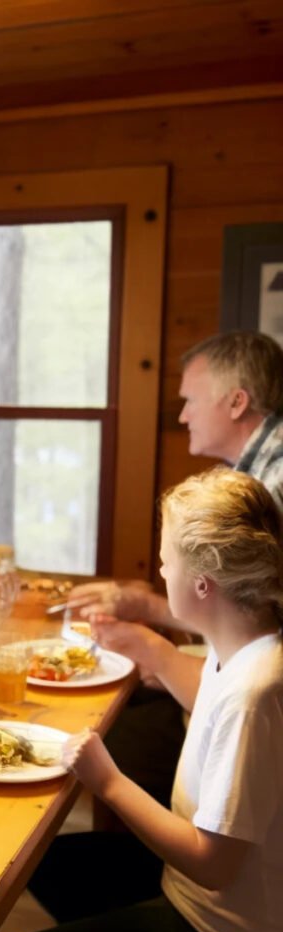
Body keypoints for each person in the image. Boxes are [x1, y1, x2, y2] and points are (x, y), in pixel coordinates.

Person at [0, 467, 283, 932]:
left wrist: (109, 782)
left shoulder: (258, 691)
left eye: (167, 558)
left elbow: (212, 865)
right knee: (36, 860)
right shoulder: (246, 639)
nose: (159, 569)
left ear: (203, 584)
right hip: (201, 894)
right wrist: (145, 644)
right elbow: (207, 697)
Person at [68, 328, 283, 806]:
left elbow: (262, 635)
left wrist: (157, 636)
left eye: (190, 400)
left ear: (236, 402)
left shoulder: (274, 484)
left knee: (105, 737)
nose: (182, 414)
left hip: (252, 721)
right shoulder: (248, 475)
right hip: (226, 681)